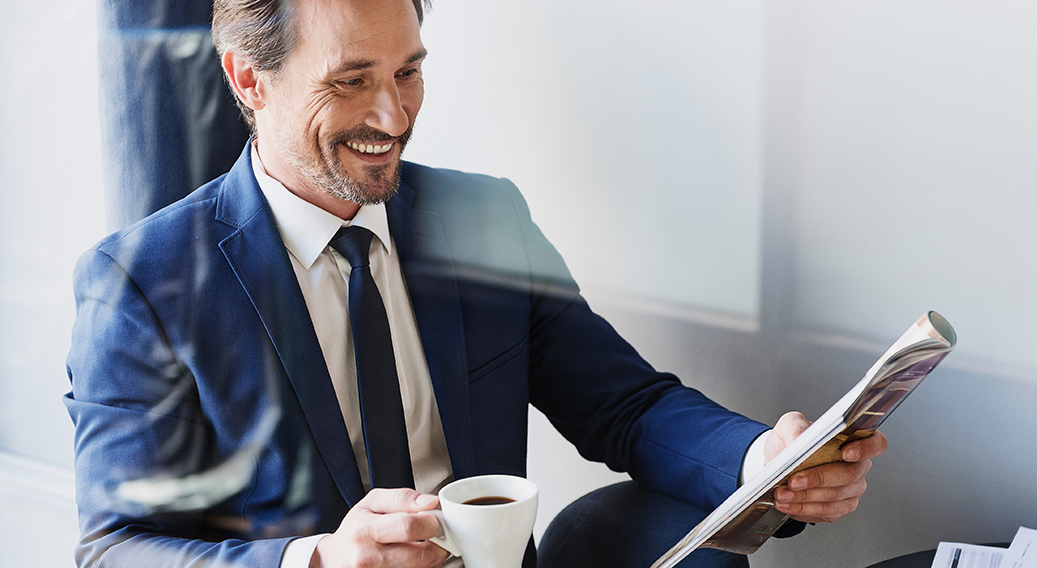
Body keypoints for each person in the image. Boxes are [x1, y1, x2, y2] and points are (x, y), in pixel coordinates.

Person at [64, 0, 887, 567]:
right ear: (249, 80)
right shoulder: (141, 283)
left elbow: (624, 405)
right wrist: (313, 558)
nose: (393, 117)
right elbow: (115, 548)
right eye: (351, 81)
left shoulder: (481, 217)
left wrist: (763, 460)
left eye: (409, 72)